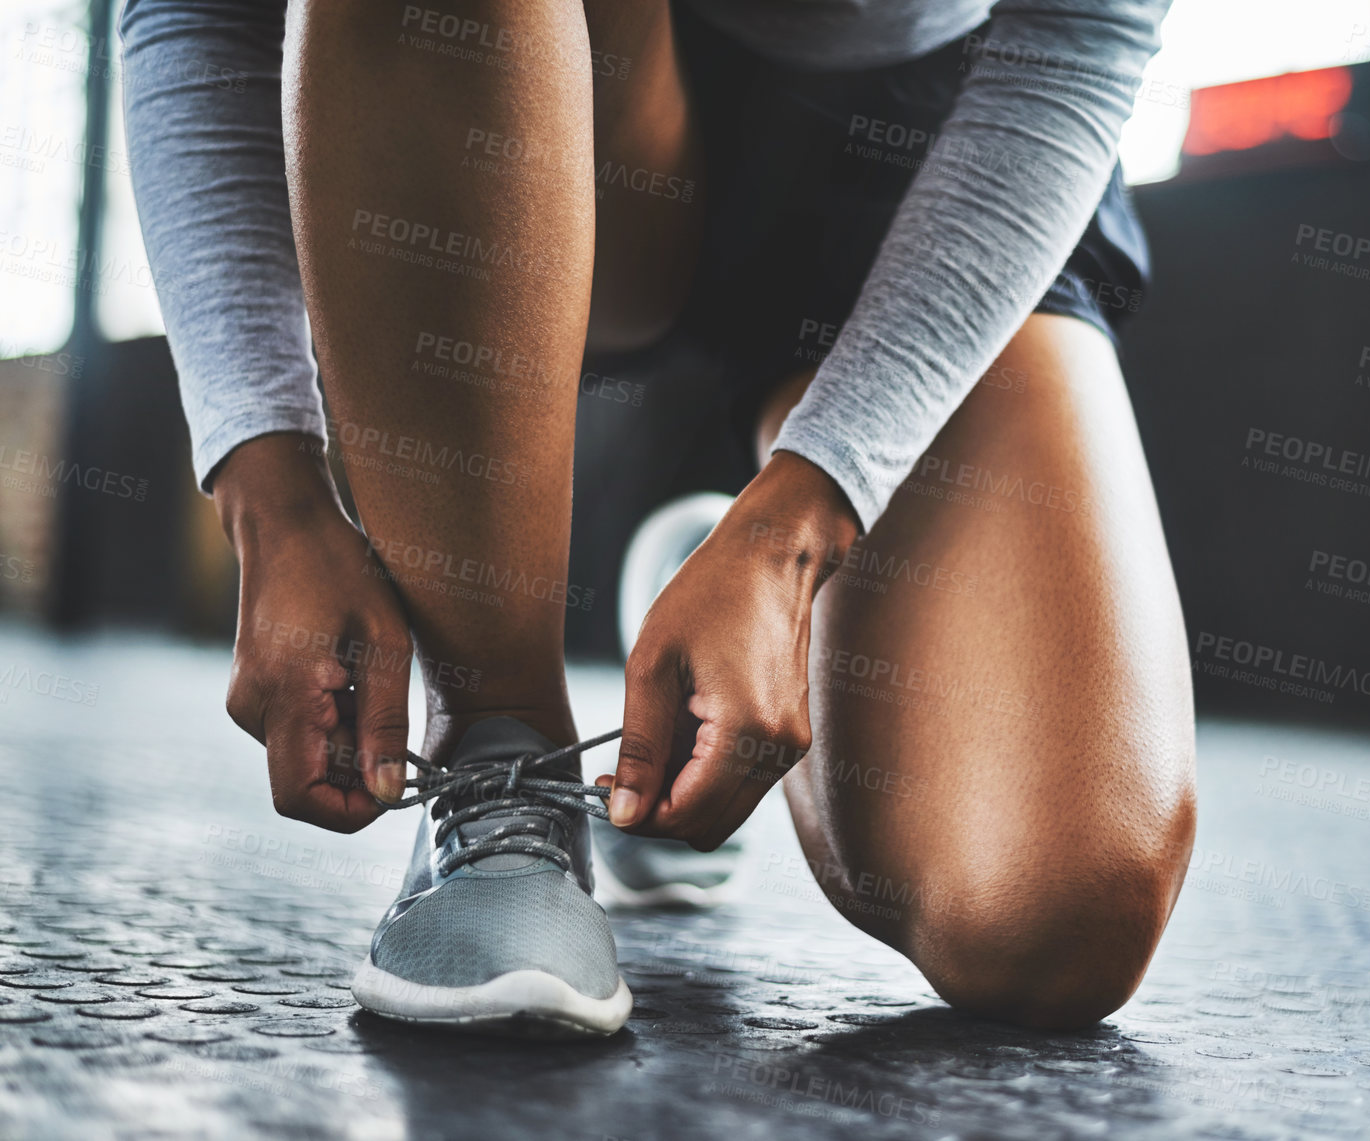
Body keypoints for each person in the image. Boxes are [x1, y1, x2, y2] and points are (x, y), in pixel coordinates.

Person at [120, 0, 1197, 1033]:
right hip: (525, 91)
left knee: (1050, 917)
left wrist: (794, 535)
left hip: (931, 150)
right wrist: (269, 490)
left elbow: (1084, 32)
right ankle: (507, 756)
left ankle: (727, 590)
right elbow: (194, 12)